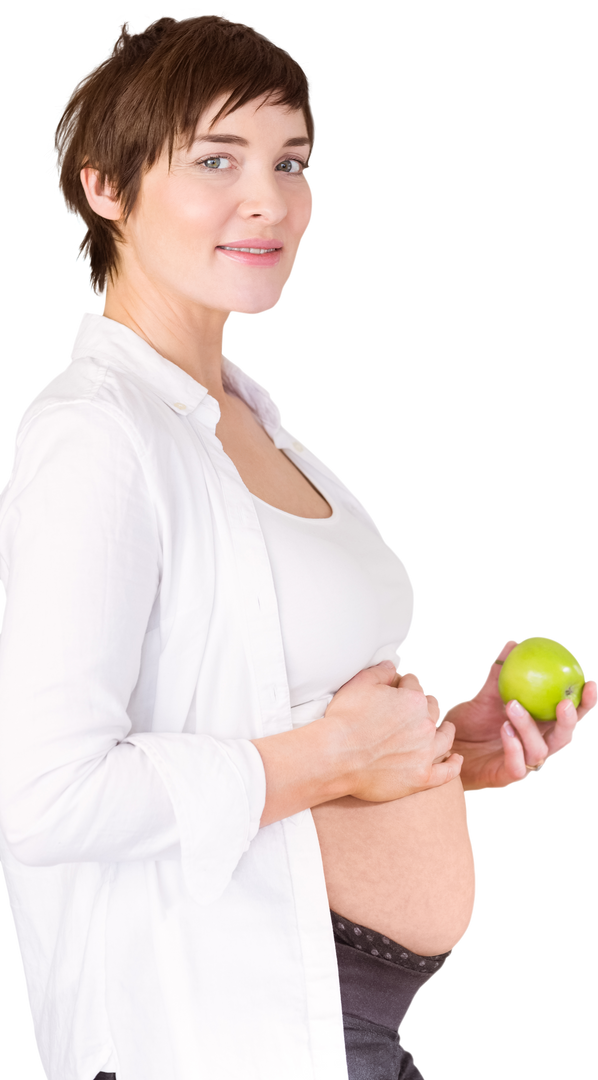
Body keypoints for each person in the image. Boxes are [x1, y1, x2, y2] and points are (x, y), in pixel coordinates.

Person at [0, 10, 594, 1080]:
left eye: (291, 160)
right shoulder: (95, 435)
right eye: (216, 158)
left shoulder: (259, 425)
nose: (267, 198)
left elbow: (272, 714)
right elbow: (52, 799)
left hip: (349, 1025)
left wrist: (445, 752)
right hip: (224, 1028)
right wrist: (336, 758)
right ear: (106, 186)